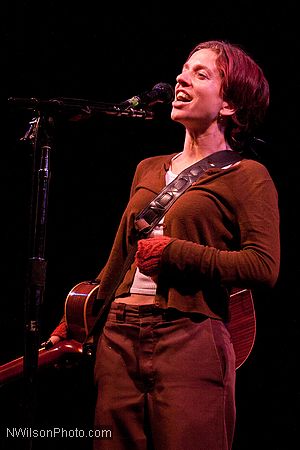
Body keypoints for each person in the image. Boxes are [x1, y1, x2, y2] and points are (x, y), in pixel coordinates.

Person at [49, 40, 280, 449]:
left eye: (201, 74)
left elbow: (263, 266)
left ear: (229, 105)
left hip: (188, 336)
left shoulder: (248, 175)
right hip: (118, 339)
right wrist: (82, 314)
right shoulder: (149, 167)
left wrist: (176, 254)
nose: (181, 78)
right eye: (183, 69)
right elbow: (120, 256)